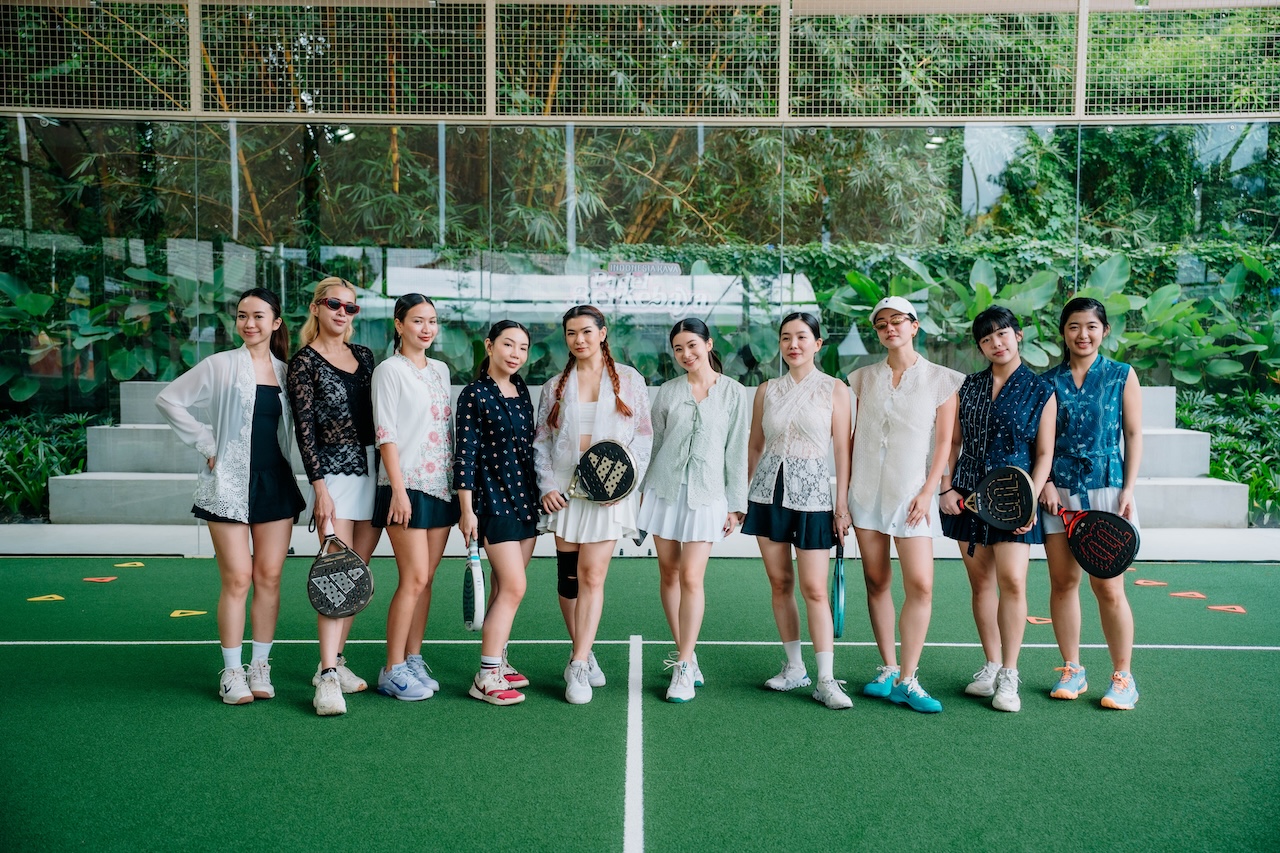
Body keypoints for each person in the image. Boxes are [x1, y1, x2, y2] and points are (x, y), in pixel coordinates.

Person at [156, 287, 306, 705]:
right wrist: (207, 443)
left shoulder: (288, 372)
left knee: (269, 578)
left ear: (276, 323)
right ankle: (232, 672)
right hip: (228, 483)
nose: (249, 323)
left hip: (275, 483)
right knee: (238, 578)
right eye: (242, 315)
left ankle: (260, 667)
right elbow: (169, 400)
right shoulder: (219, 365)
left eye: (258, 316)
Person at [848, 297, 962, 714]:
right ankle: (888, 667)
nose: (889, 329)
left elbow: (945, 442)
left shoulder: (941, 379)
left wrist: (929, 490)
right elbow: (852, 437)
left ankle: (908, 679)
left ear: (915, 326)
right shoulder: (861, 379)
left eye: (897, 321)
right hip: (865, 492)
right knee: (876, 581)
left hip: (912, 495)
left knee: (921, 585)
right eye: (881, 324)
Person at [534, 305, 652, 705]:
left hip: (608, 497)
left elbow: (643, 438)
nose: (579, 339)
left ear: (602, 333)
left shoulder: (630, 381)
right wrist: (547, 486)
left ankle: (580, 663)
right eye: (571, 333)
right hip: (565, 496)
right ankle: (581, 649)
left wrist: (618, 486)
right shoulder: (554, 386)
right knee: (568, 579)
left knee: (593, 574)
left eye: (586, 331)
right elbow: (541, 442)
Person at [940, 306, 1056, 713]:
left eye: (1002, 334)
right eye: (987, 339)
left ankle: (1010, 673)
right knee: (981, 585)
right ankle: (990, 665)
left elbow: (1044, 454)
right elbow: (952, 443)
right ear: (981, 347)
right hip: (967, 497)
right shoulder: (967, 386)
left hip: (1013, 501)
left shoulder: (1041, 390)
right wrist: (945, 488)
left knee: (1013, 582)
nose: (996, 343)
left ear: (1017, 335)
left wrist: (1029, 500)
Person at [743, 312, 853, 710]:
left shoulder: (835, 389)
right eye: (786, 337)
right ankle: (794, 668)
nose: (793, 344)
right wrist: (742, 495)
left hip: (814, 498)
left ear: (818, 343)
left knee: (815, 589)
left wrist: (841, 507)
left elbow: (842, 450)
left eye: (802, 337)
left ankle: (825, 679)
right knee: (780, 583)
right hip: (767, 493)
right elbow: (755, 445)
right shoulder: (767, 390)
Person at [637, 318, 749, 702]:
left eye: (692, 345)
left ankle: (683, 667)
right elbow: (653, 445)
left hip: (708, 495)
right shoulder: (668, 392)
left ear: (709, 344)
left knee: (691, 577)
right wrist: (641, 492)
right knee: (669, 573)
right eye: (678, 349)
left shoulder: (734, 393)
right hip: (663, 491)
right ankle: (686, 651)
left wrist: (736, 505)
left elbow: (736, 451)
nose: (686, 354)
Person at [1040, 297, 1143, 710]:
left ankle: (1123, 677)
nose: (1082, 335)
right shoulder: (1047, 381)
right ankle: (1072, 669)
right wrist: (1046, 483)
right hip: (1058, 495)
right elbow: (1039, 443)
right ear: (1063, 333)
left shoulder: (1121, 375)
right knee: (1063, 582)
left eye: (1091, 327)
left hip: (1107, 489)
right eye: (1074, 327)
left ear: (1104, 331)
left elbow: (1133, 435)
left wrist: (1128, 489)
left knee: (1108, 586)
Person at [287, 276, 380, 716]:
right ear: (316, 308)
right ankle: (325, 677)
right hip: (333, 476)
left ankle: (337, 661)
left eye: (350, 307)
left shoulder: (365, 355)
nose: (342, 313)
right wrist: (319, 489)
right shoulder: (303, 362)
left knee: (356, 576)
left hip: (372, 472)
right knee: (334, 574)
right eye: (334, 305)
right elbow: (304, 431)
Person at [371, 294, 459, 701]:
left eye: (432, 321)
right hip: (404, 488)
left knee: (427, 580)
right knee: (414, 578)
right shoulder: (388, 371)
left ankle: (412, 657)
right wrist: (398, 491)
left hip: (441, 486)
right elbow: (385, 434)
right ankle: (391, 669)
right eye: (418, 320)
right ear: (399, 324)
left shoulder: (441, 370)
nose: (427, 328)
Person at [454, 320, 540, 706]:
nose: (515, 354)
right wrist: (466, 510)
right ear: (490, 346)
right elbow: (465, 454)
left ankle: (499, 660)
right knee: (515, 586)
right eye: (508, 344)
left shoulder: (521, 390)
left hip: (526, 502)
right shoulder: (473, 394)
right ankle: (486, 676)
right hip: (492, 502)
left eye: (522, 347)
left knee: (506, 586)